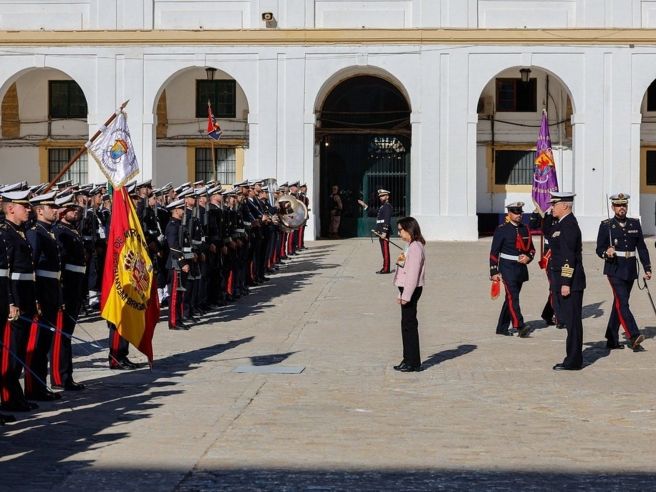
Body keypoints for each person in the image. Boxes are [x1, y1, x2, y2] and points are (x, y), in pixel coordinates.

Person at [595, 193, 650, 351]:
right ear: (613, 207)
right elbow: (599, 248)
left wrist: (647, 267)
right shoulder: (606, 225)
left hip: (630, 268)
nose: (621, 208)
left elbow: (641, 247)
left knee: (619, 303)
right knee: (623, 303)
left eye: (624, 205)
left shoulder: (634, 224)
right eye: (618, 205)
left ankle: (611, 338)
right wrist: (606, 252)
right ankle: (633, 335)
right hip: (615, 268)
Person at [549, 192, 586, 371]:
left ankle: (573, 361)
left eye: (554, 204)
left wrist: (565, 282)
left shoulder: (569, 225)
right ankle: (572, 358)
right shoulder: (561, 224)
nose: (551, 207)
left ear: (564, 205)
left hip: (570, 282)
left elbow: (568, 257)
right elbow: (548, 233)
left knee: (573, 322)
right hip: (564, 280)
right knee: (568, 320)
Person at [489, 202, 535, 337]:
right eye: (515, 212)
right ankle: (520, 326)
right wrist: (494, 271)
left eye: (520, 212)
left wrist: (528, 257)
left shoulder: (525, 229)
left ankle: (501, 328)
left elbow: (531, 249)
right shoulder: (502, 229)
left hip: (520, 268)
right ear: (509, 214)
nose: (519, 215)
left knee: (510, 298)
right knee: (513, 296)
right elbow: (494, 252)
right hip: (507, 267)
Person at [392, 217, 426, 372]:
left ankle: (413, 362)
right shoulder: (409, 246)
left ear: (409, 229)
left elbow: (412, 274)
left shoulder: (416, 248)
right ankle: (407, 359)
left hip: (411, 290)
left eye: (401, 230)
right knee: (405, 325)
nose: (399, 233)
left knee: (409, 326)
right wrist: (400, 292)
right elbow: (401, 266)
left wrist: (406, 295)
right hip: (405, 289)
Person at [374, 189, 393, 274]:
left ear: (387, 196)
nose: (380, 197)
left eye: (382, 196)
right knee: (383, 250)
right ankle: (385, 267)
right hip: (381, 231)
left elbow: (387, 219)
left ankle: (386, 269)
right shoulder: (383, 206)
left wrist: (384, 232)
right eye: (380, 196)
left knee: (385, 250)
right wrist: (365, 206)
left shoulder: (387, 206)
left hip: (384, 232)